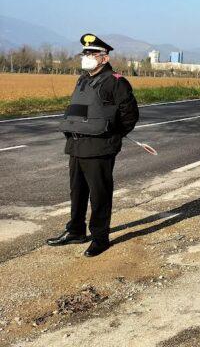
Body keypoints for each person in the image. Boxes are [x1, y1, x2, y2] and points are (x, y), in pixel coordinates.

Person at [46, 34, 139, 257]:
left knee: (100, 195)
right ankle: (76, 231)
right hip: (76, 145)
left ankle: (100, 238)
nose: (86, 57)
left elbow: (130, 116)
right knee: (77, 192)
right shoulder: (83, 79)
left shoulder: (116, 82)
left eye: (91, 53)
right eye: (85, 53)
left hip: (100, 148)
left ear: (104, 58)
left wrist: (112, 137)